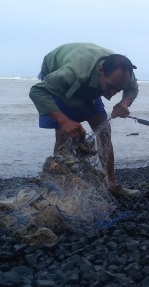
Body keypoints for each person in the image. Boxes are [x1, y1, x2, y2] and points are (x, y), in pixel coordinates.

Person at [29, 42, 140, 197]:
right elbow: (37, 92)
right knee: (64, 134)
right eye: (110, 86)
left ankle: (112, 184)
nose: (113, 92)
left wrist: (124, 103)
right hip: (58, 77)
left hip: (89, 83)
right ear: (101, 70)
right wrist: (64, 120)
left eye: (118, 89)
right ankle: (60, 186)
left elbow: (132, 89)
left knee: (104, 131)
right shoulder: (71, 72)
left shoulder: (125, 73)